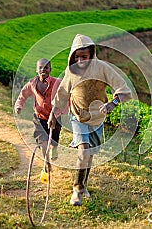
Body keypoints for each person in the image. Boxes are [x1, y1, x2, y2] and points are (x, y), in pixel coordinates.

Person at [48, 34, 132, 206]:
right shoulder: (71, 72)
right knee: (83, 151)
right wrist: (52, 115)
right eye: (77, 57)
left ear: (92, 55)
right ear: (72, 56)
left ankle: (84, 185)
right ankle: (77, 190)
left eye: (84, 57)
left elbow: (122, 88)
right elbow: (62, 94)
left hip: (97, 118)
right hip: (78, 116)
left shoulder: (102, 68)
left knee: (90, 154)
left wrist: (113, 103)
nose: (80, 60)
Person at [15, 58, 61, 161]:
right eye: (40, 67)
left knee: (54, 137)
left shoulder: (57, 83)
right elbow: (22, 95)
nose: (43, 70)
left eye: (46, 68)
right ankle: (47, 162)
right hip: (40, 117)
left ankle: (55, 148)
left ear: (50, 69)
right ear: (36, 70)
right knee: (42, 141)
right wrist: (19, 106)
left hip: (54, 116)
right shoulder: (32, 84)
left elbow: (66, 93)